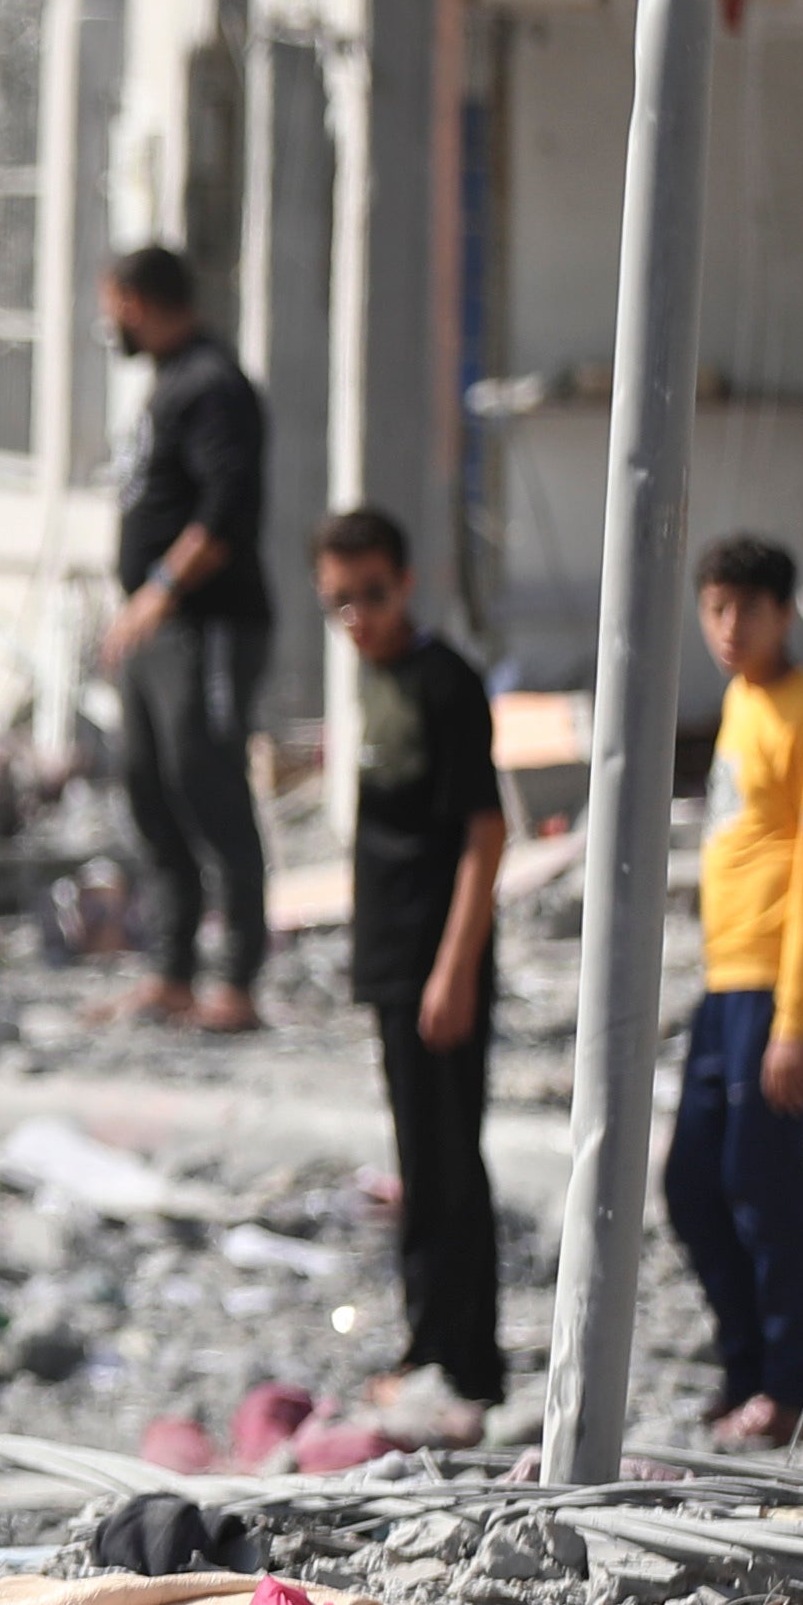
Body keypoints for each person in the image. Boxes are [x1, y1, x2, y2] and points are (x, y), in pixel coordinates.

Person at [313, 506, 509, 1438]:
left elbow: (485, 833)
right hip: (393, 957)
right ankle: (428, 1346)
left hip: (439, 958)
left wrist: (455, 968)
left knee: (448, 1163)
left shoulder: (443, 682)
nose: (358, 617)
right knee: (417, 1163)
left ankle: (464, 1359)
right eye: (340, 603)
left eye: (373, 596)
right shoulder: (376, 678)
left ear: (407, 582)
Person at [670, 530, 803, 1451]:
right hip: (725, 981)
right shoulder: (740, 704)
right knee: (692, 1184)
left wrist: (795, 1024)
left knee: (764, 1181)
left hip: (782, 990)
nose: (729, 627)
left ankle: (797, 1391)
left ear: (784, 613)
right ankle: (745, 1368)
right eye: (715, 608)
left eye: (747, 608)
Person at [97, 244, 273, 1033]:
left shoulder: (213, 386)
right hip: (155, 626)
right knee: (152, 790)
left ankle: (235, 982)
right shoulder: (171, 383)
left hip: (206, 625)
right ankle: (170, 972)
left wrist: (159, 594)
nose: (111, 324)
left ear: (137, 301)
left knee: (210, 789)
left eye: (113, 307)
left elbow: (226, 516)